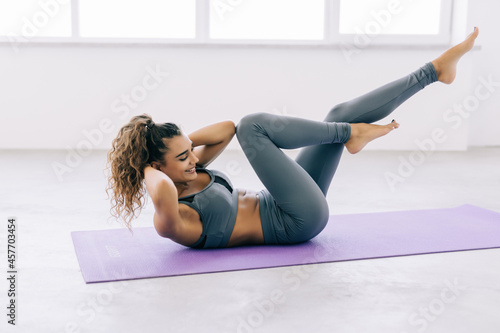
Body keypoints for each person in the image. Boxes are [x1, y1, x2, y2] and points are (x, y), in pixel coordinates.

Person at [106, 28, 479, 249]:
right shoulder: (171, 217)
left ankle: (432, 72)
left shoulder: (188, 169)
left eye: (191, 151)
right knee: (255, 125)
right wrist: (145, 168)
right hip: (295, 222)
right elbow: (162, 190)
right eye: (183, 156)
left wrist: (183, 145)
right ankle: (351, 135)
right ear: (155, 167)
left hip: (281, 200)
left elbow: (225, 128)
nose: (193, 159)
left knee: (336, 114)